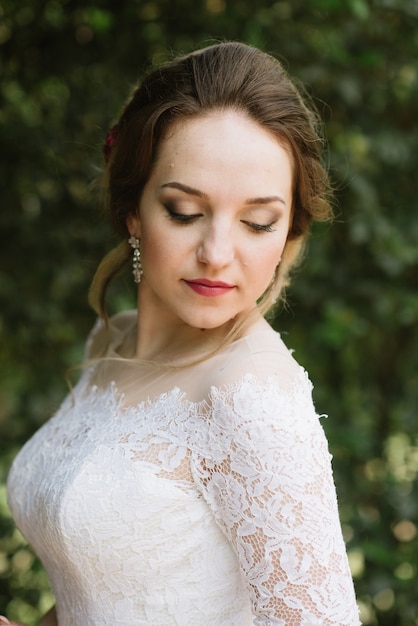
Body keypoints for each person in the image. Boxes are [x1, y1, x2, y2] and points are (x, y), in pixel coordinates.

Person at [4, 41, 361, 626]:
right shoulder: (109, 345)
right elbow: (120, 592)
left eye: (257, 222)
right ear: (133, 212)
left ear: (289, 226)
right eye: (185, 212)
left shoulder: (252, 396)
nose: (218, 254)